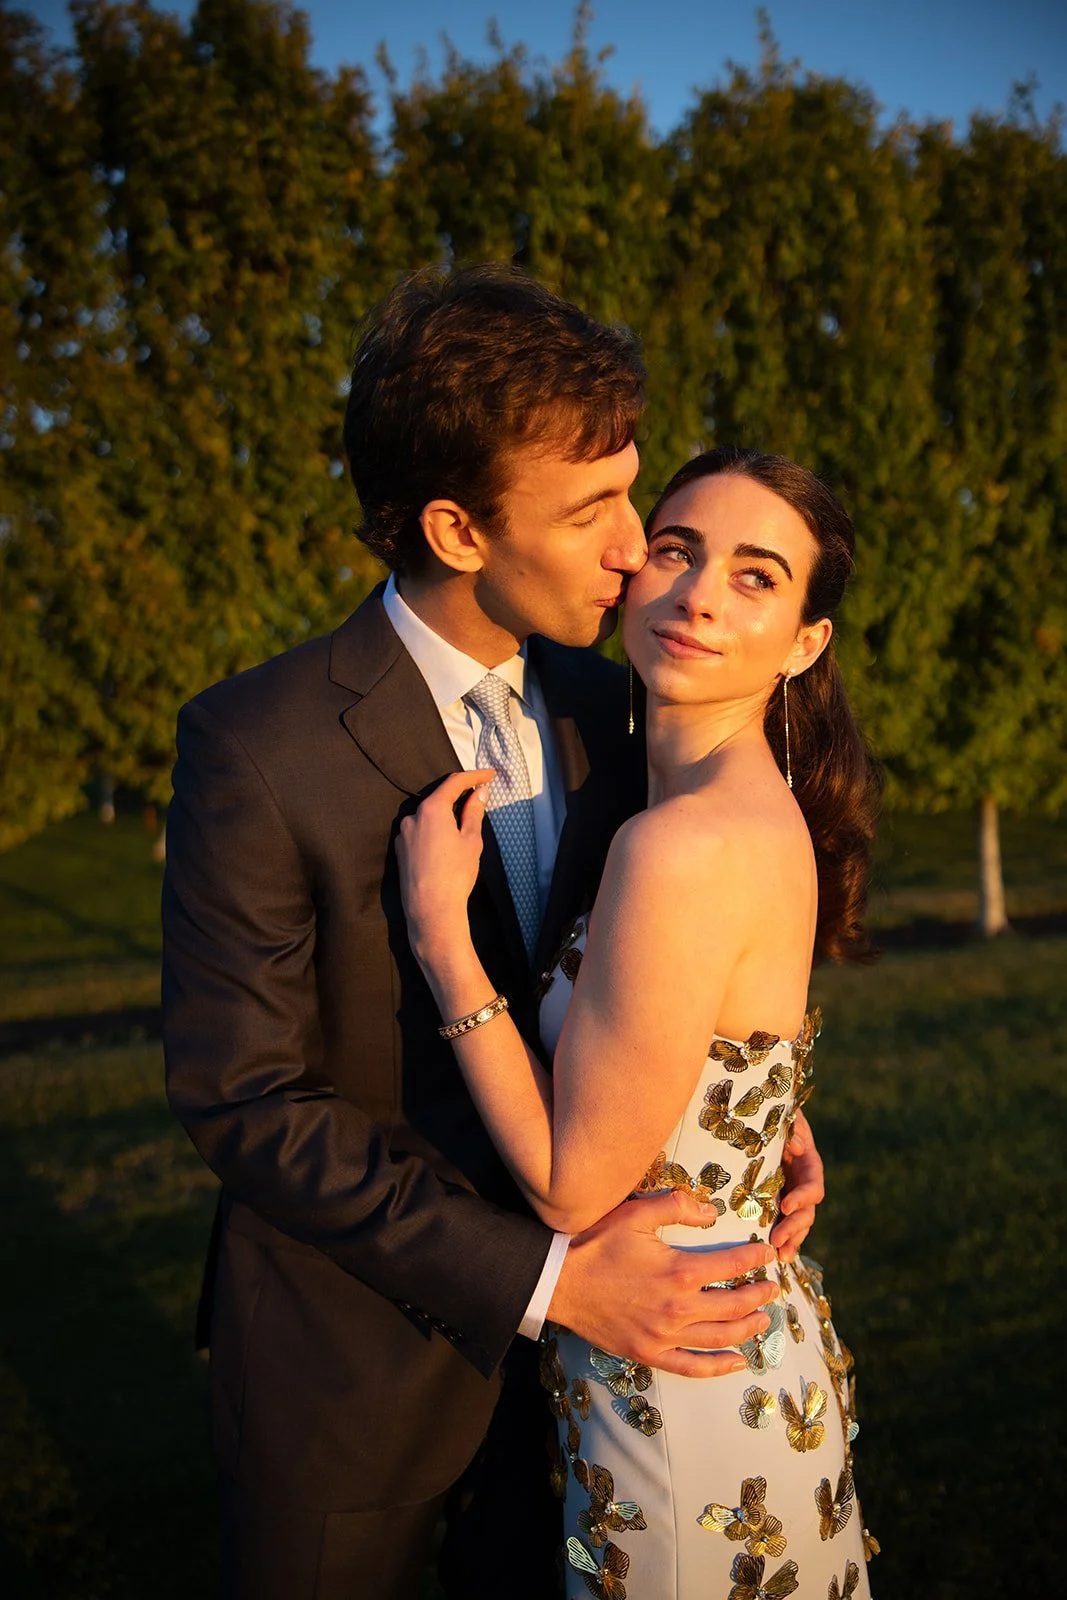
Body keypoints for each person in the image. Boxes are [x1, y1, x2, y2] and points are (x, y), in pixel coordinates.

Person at [162, 266, 825, 1600]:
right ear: (459, 530)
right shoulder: (255, 746)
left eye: (632, 495)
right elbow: (244, 1103)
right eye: (590, 511)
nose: (636, 548)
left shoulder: (614, 698)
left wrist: (750, 1115)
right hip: (350, 1386)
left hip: (594, 1404)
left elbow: (667, 962)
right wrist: (542, 1281)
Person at [397, 444, 881, 1598]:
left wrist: (440, 940)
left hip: (679, 1404)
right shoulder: (700, 802)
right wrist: (766, 1127)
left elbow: (569, 1187)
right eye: (676, 549)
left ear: (806, 642)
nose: (699, 592)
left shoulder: (681, 843)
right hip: (722, 1343)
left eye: (756, 576)